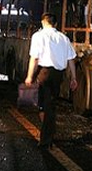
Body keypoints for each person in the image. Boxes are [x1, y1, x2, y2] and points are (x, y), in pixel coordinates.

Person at [25, 13, 78, 149]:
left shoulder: (38, 36)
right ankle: (48, 133)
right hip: (58, 75)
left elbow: (34, 58)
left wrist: (30, 76)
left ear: (43, 22)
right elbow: (71, 59)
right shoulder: (63, 38)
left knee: (45, 106)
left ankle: (45, 139)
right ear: (55, 24)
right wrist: (74, 78)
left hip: (44, 73)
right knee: (50, 105)